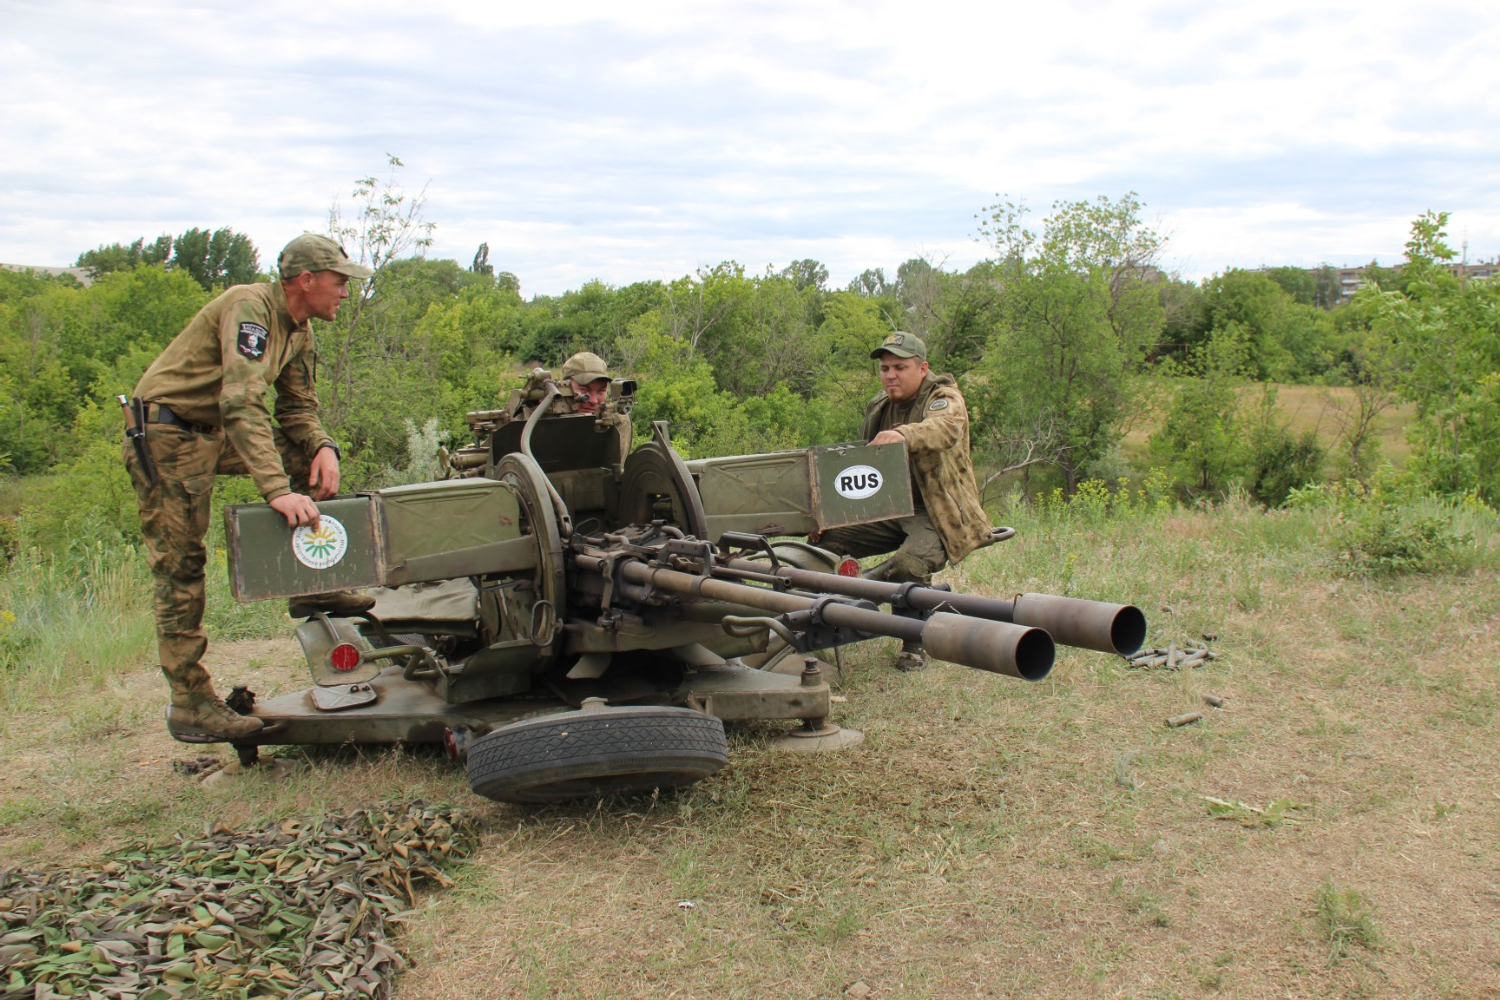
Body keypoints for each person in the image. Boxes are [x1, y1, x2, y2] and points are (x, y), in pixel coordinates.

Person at [123, 233, 375, 742]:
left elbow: (297, 408)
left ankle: (312, 584)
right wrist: (276, 490)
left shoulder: (300, 330)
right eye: (340, 281)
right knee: (181, 567)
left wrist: (324, 446)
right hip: (169, 435)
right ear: (307, 280)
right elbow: (241, 401)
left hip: (213, 433)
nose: (346, 292)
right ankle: (191, 704)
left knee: (309, 458)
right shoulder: (251, 308)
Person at [816, 331, 992, 671]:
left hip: (938, 512)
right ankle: (819, 619)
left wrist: (902, 434)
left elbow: (945, 429)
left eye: (900, 367)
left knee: (909, 564)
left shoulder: (943, 398)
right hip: (890, 507)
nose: (890, 376)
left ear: (922, 369)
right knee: (826, 543)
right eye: (885, 369)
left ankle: (914, 640)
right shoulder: (879, 405)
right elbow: (861, 469)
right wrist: (830, 516)